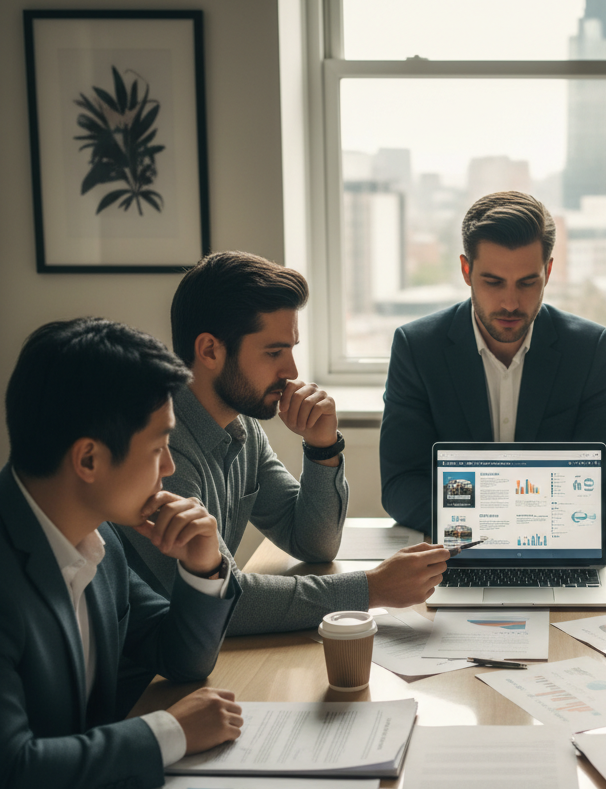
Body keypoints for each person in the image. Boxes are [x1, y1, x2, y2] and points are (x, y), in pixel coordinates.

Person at [0, 318, 243, 789]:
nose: (171, 467)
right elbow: (11, 776)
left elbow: (179, 657)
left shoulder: (95, 533)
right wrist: (167, 733)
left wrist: (204, 565)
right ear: (88, 459)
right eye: (159, 447)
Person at [119, 252, 449, 636]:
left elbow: (314, 543)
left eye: (292, 349)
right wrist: (371, 589)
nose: (291, 372)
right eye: (274, 352)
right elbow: (227, 603)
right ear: (210, 350)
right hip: (145, 679)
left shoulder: (242, 428)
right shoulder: (160, 454)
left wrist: (322, 447)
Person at [379, 191, 606, 534]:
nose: (511, 303)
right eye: (493, 282)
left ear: (549, 271)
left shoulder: (588, 349)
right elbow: (402, 486)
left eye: (528, 282)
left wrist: (479, 505)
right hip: (460, 549)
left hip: (551, 549)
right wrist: (508, 518)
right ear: (466, 270)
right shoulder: (418, 348)